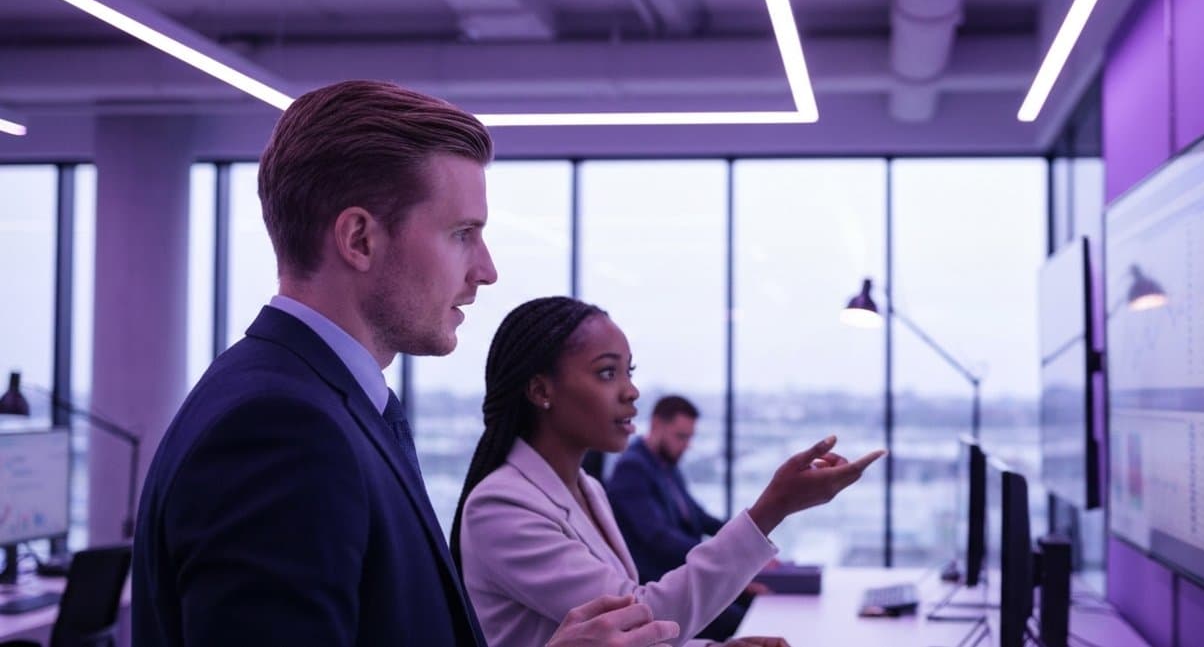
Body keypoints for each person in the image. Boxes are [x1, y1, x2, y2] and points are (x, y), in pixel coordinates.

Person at [131, 80, 679, 647]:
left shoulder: (327, 403)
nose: (486, 271)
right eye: (462, 234)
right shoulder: (282, 429)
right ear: (360, 239)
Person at [455, 296, 885, 647]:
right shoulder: (502, 506)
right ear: (541, 390)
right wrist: (773, 507)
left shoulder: (586, 489)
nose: (631, 390)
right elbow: (637, 619)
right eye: (607, 372)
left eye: (629, 372)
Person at [606, 396, 761, 641]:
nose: (686, 445)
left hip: (686, 575)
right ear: (657, 424)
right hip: (660, 588)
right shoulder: (633, 468)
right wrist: (722, 557)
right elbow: (658, 536)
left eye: (689, 437)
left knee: (753, 603)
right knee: (742, 619)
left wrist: (749, 534)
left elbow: (697, 515)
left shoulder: (665, 465)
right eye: (681, 436)